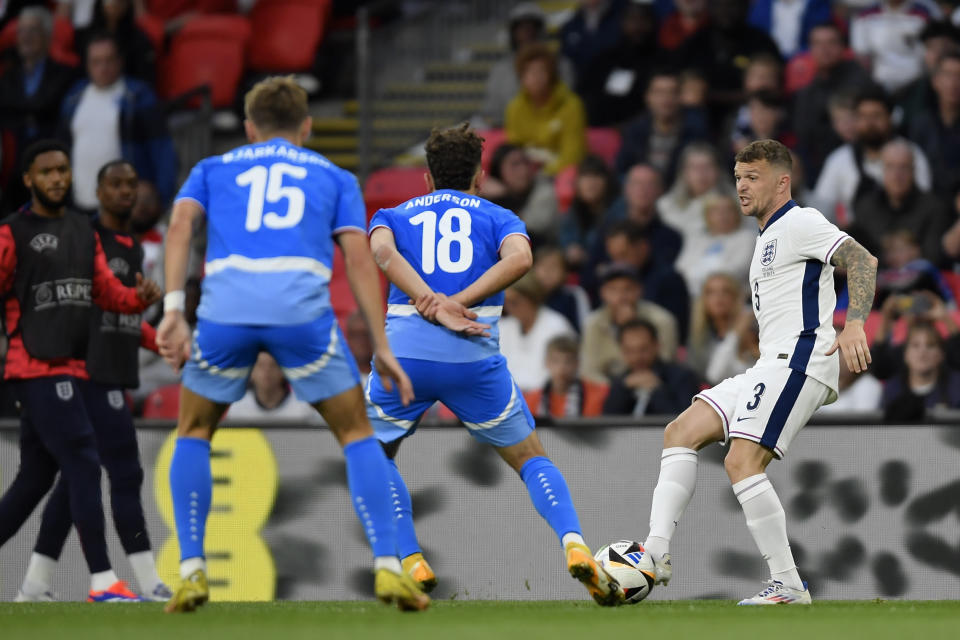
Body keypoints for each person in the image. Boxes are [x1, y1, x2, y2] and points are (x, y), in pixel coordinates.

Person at [155, 77, 429, 613]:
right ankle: (389, 568)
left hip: (226, 311)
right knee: (355, 432)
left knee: (193, 429)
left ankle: (190, 570)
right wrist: (381, 343)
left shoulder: (212, 168)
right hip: (299, 313)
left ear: (249, 127)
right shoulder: (334, 175)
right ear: (306, 127)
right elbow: (357, 258)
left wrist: (171, 310)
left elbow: (181, 224)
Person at [365, 123, 623, 606]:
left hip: (404, 357)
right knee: (530, 459)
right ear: (480, 177)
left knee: (373, 454)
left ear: (426, 178)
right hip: (472, 355)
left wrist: (430, 300)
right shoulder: (499, 216)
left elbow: (379, 251)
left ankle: (408, 558)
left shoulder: (393, 213)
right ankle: (575, 545)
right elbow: (522, 259)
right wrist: (457, 302)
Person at [638, 139, 878, 604]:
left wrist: (855, 324)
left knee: (740, 462)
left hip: (802, 360)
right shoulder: (766, 237)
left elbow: (862, 260)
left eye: (752, 177)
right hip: (770, 364)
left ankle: (788, 584)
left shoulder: (800, 222)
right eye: (738, 178)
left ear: (781, 182)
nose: (741, 187)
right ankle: (655, 554)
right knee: (680, 431)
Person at [0, 140, 161, 603]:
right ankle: (102, 580)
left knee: (34, 480)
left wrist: (138, 300)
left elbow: (107, 293)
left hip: (67, 367)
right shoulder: (12, 233)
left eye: (63, 170)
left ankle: (39, 588)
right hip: (33, 367)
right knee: (85, 460)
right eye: (46, 172)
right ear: (29, 179)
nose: (57, 179)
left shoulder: (80, 230)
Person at [59, 33, 177, 212]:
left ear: (120, 61)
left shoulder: (138, 96)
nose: (103, 68)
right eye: (96, 62)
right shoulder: (74, 97)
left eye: (109, 60)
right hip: (80, 204)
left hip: (125, 206)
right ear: (87, 65)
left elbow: (162, 150)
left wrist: (161, 196)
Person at [813, 85, 933, 224]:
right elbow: (820, 209)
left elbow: (924, 205)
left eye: (876, 116)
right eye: (863, 116)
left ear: (890, 118)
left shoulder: (911, 154)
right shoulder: (839, 159)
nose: (869, 124)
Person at [0, 6, 78, 212]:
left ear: (47, 36)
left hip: (53, 170)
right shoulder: (7, 78)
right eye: (21, 31)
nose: (25, 37)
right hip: (14, 175)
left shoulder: (65, 75)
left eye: (32, 31)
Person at [849, 139, 953, 264]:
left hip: (921, 281)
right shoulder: (865, 207)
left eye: (903, 167)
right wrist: (889, 258)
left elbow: (935, 255)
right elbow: (854, 254)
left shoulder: (934, 208)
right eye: (890, 167)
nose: (896, 175)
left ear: (913, 170)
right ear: (882, 170)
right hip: (874, 281)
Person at [792, 22, 871, 183]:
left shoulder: (860, 81)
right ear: (810, 49)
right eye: (818, 44)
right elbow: (803, 136)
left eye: (831, 43)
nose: (824, 49)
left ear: (843, 47)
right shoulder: (807, 93)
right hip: (818, 171)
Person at [479, 2, 574, 127]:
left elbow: (565, 101)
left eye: (532, 27)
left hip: (550, 129)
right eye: (521, 28)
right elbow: (490, 111)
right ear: (513, 33)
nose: (527, 33)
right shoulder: (500, 70)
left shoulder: (561, 65)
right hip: (506, 131)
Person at [580, 263, 679, 382]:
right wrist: (620, 388)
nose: (621, 297)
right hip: (609, 390)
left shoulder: (662, 320)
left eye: (628, 289)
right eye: (613, 289)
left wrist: (633, 325)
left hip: (654, 385)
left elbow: (666, 366)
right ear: (603, 293)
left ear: (639, 290)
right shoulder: (593, 323)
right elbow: (589, 371)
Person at [614, 68, 709, 185]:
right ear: (647, 97)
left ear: (681, 97)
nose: (666, 98)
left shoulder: (697, 130)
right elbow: (622, 171)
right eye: (659, 92)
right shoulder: (635, 131)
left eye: (672, 92)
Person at [578, 1, 666, 127]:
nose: (637, 26)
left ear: (653, 24)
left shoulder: (662, 60)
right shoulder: (604, 60)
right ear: (622, 23)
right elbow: (583, 94)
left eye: (643, 19)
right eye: (632, 20)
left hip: (644, 130)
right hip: (602, 128)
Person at [505, 43, 587, 176]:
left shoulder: (572, 105)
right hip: (525, 174)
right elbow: (513, 150)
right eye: (529, 72)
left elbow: (573, 155)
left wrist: (545, 173)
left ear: (552, 74)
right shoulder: (515, 107)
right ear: (521, 77)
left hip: (559, 174)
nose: (535, 77)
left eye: (541, 71)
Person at [602, 319, 698, 416]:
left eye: (643, 349)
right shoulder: (620, 382)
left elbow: (687, 421)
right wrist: (623, 388)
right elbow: (606, 422)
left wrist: (657, 390)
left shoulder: (682, 378)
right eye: (629, 351)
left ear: (656, 345)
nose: (637, 357)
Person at [499, 273, 576, 391]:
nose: (509, 307)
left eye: (514, 301)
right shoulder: (504, 326)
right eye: (506, 302)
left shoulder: (557, 326)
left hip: (544, 400)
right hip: (510, 397)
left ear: (531, 297)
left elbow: (560, 373)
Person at [850, 0, 937, 95]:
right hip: (879, 83)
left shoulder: (925, 13)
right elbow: (862, 55)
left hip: (917, 83)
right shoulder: (865, 15)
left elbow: (933, 51)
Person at [881, 319, 960, 421]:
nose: (922, 352)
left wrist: (945, 316)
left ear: (941, 354)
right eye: (915, 345)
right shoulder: (892, 389)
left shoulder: (956, 387)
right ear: (905, 355)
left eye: (930, 345)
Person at [481, 143, 558, 245]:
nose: (523, 170)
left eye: (526, 163)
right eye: (515, 164)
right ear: (498, 170)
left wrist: (505, 196)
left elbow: (531, 229)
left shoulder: (544, 190)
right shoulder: (487, 194)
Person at [907, 50, 960, 194]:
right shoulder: (920, 124)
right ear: (935, 81)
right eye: (948, 75)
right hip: (929, 202)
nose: (954, 83)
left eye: (959, 76)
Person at [524, 335, 608, 419]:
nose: (562, 367)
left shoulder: (599, 395)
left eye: (568, 361)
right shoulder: (531, 400)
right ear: (547, 362)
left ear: (577, 364)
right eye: (556, 361)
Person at [74, 0, 157, 84]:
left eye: (120, 2)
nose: (115, 5)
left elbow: (144, 75)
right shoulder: (85, 36)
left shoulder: (138, 39)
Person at [227, 352, 319, 423]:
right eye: (260, 366)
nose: (267, 372)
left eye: (273, 366)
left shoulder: (304, 409)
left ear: (283, 372)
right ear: (250, 373)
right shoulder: (237, 408)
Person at [531, 245, 591, 333]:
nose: (548, 271)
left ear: (565, 272)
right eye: (542, 266)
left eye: (554, 266)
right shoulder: (528, 297)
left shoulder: (574, 295)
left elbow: (585, 329)